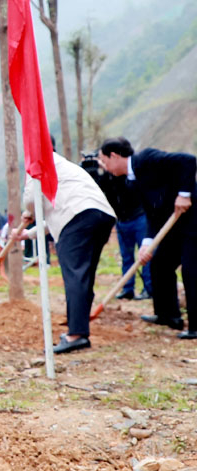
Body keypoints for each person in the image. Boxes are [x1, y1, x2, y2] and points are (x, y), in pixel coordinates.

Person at [20, 149, 116, 353]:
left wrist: (29, 211)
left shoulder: (38, 161)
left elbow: (31, 198)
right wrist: (27, 234)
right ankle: (80, 330)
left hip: (79, 219)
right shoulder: (66, 167)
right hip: (101, 215)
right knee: (83, 276)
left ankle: (76, 335)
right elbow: (63, 213)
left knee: (75, 276)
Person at [98, 138, 196, 339]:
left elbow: (189, 160)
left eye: (104, 161)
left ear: (114, 156)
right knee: (159, 264)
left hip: (193, 222)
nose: (105, 167)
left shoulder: (147, 159)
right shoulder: (133, 180)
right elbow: (153, 214)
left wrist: (184, 194)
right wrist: (147, 243)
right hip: (174, 224)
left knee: (191, 269)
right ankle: (168, 315)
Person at [101, 172, 154, 301]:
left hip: (139, 217)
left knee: (146, 255)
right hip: (122, 220)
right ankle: (128, 289)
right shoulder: (106, 178)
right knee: (126, 256)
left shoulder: (129, 173)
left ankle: (149, 289)